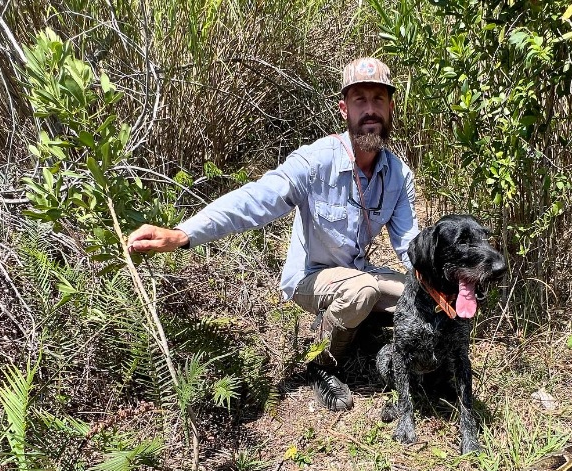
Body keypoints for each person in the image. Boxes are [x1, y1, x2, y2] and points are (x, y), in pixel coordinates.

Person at [127, 57, 419, 411]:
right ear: (344, 109)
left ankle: (356, 324)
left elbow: (408, 244)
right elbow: (255, 199)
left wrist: (442, 286)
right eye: (360, 100)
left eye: (379, 100)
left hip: (357, 271)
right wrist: (183, 234)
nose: (370, 110)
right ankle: (322, 364)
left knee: (417, 296)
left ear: (391, 108)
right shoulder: (315, 162)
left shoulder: (397, 174)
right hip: (311, 277)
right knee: (364, 290)